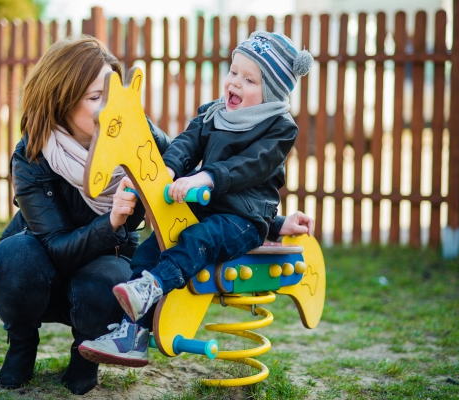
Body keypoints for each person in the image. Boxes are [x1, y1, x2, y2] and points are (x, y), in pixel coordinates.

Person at [77, 31, 314, 367]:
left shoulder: (279, 128)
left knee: (199, 238)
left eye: (249, 80)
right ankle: (132, 336)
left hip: (243, 222)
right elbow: (186, 144)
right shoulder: (212, 113)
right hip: (207, 209)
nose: (234, 83)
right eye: (233, 72)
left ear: (271, 93)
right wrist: (170, 170)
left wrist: (207, 177)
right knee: (149, 249)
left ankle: (155, 286)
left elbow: (251, 165)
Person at [0, 36, 171, 395]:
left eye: (111, 95)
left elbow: (191, 176)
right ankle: (22, 343)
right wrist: (111, 221)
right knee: (12, 259)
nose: (108, 108)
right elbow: (54, 245)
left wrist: (268, 222)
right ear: (62, 101)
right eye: (94, 97)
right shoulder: (33, 154)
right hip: (42, 269)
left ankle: (85, 354)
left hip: (101, 270)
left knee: (113, 281)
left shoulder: (138, 135)